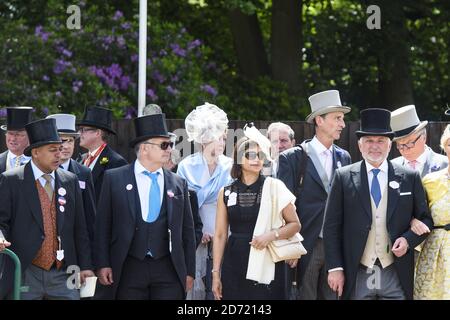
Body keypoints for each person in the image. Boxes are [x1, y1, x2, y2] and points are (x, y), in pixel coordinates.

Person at [323, 108, 433, 300]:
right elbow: (331, 226)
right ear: (360, 145)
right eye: (369, 141)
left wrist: (408, 240)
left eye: (381, 141)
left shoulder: (409, 177)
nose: (375, 146)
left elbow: (425, 219)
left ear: (390, 145)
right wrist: (335, 267)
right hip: (357, 269)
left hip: (395, 270)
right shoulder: (343, 177)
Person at [94, 112, 196, 300]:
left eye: (170, 145)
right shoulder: (114, 178)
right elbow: (102, 225)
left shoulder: (178, 183)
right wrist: (102, 263)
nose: (169, 149)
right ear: (145, 149)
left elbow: (187, 231)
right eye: (164, 145)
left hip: (168, 268)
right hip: (128, 267)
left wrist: (190, 270)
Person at [0, 118, 94, 300]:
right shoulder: (11, 180)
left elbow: (80, 228)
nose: (59, 154)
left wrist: (86, 265)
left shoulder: (70, 180)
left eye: (59, 149)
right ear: (35, 152)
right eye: (52, 150)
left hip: (65, 271)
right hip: (26, 270)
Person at [212, 124, 301, 300]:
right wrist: (216, 273)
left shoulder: (275, 187)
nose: (257, 159)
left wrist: (271, 235)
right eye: (251, 154)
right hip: (235, 263)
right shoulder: (226, 191)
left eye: (261, 155)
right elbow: (221, 234)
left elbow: (295, 225)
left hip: (268, 260)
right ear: (238, 157)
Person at [277, 89, 352, 300]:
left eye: (343, 119)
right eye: (337, 118)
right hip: (305, 244)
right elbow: (283, 205)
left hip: (335, 247)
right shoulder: (292, 158)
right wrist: (290, 243)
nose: (342, 124)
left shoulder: (344, 157)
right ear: (319, 120)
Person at [176, 102, 232, 300]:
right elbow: (182, 207)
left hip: (224, 231)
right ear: (204, 140)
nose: (222, 143)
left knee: (221, 284)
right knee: (196, 287)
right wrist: (197, 232)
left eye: (224, 138)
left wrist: (219, 232)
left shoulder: (230, 166)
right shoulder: (185, 166)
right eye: (218, 138)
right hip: (195, 232)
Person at [46, 114, 96, 257]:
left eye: (71, 140)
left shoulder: (84, 173)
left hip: (74, 251)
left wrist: (89, 261)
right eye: (62, 140)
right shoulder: (38, 171)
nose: (66, 146)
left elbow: (89, 218)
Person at [0, 107, 34, 299]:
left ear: (29, 136)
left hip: (30, 246)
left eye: (18, 135)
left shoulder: (38, 165)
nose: (12, 138)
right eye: (9, 134)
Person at [413, 125, 450, 299]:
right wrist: (413, 221)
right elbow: (415, 213)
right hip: (434, 254)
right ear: (444, 147)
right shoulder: (429, 181)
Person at [77, 106, 127, 201]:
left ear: (97, 133)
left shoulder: (116, 162)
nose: (80, 133)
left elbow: (120, 200)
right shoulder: (81, 159)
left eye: (83, 130)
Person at [391, 105, 448, 176]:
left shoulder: (446, 164)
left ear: (424, 137)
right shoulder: (392, 167)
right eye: (400, 145)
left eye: (409, 143)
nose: (405, 150)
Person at [0, 107, 33, 173]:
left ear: (29, 136)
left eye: (18, 135)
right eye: (10, 133)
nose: (13, 139)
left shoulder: (39, 161)